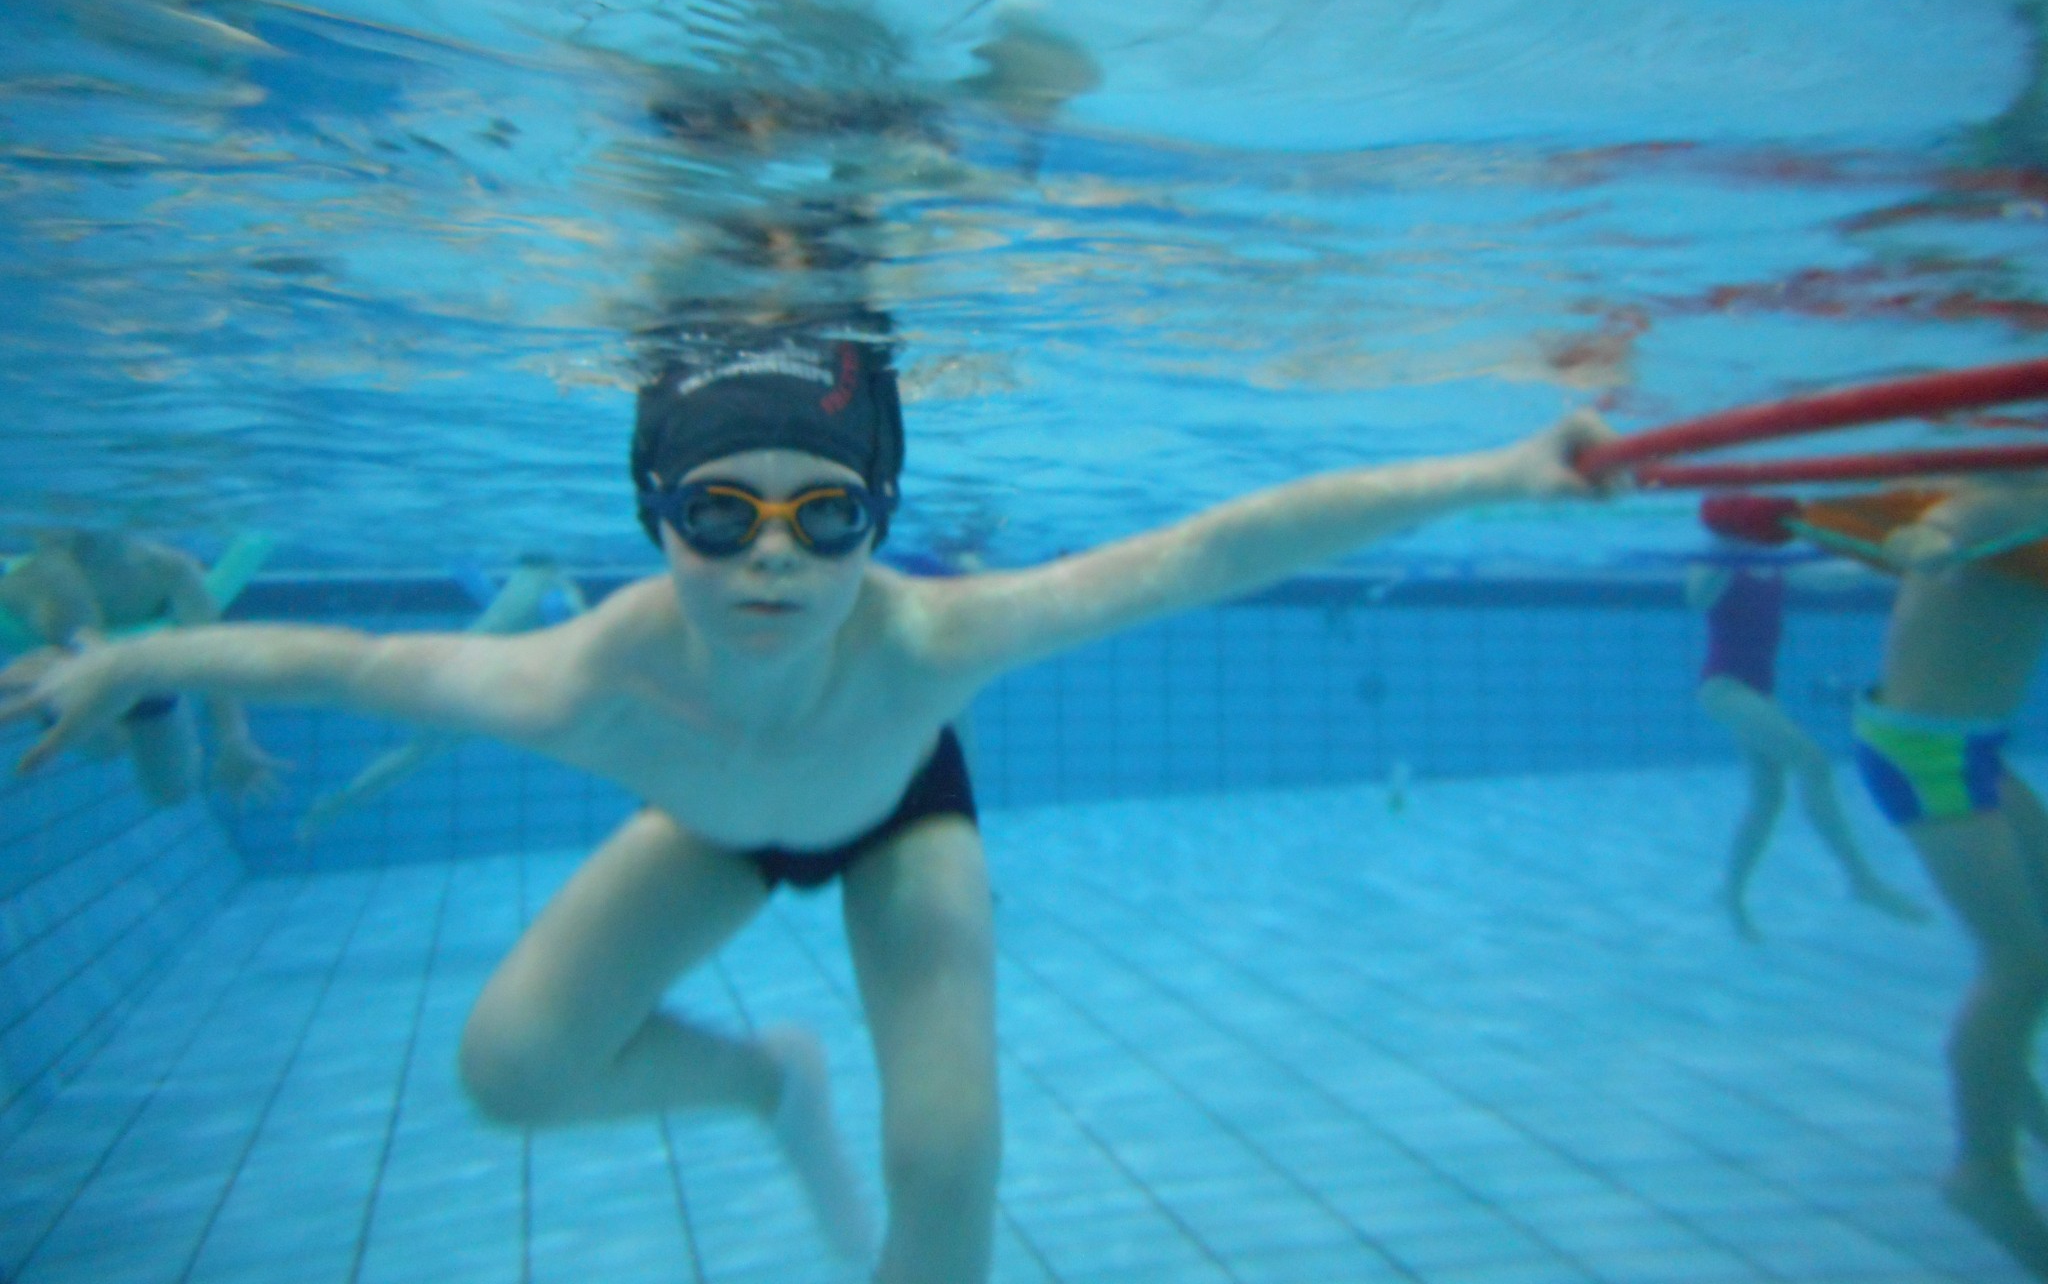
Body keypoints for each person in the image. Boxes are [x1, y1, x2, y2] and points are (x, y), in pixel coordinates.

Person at [0, 311, 1613, 1284]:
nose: (771, 557)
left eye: (824, 515)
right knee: (513, 1067)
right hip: (716, 814)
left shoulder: (934, 640)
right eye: (721, 513)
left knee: (947, 1157)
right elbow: (343, 663)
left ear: (877, 519)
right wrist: (123, 659)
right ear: (655, 517)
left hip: (898, 812)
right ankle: (762, 1080)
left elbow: (1212, 549)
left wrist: (1497, 472)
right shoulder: (577, 681)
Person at [1783, 479, 2048, 1277]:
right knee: (2020, 965)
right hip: (1929, 753)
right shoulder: (1997, 498)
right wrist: (1927, 545)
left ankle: (2019, 1101)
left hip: (1969, 744)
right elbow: (1946, 529)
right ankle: (1982, 1174)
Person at [1687, 493, 1925, 940]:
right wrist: (1726, 551)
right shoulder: (1717, 562)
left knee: (1767, 799)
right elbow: (1696, 597)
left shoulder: (1773, 565)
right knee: (1813, 763)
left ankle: (1731, 894)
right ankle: (1860, 879)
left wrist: (1885, 561)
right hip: (1723, 688)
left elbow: (1831, 582)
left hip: (1758, 692)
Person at [296, 555, 588, 841]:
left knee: (417, 751)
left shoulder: (522, 580)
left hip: (454, 663)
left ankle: (341, 801)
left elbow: (488, 597)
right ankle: (340, 802)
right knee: (417, 753)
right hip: (478, 681)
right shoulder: (558, 586)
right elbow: (572, 630)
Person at [0, 528, 283, 807]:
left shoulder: (168, 570)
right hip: (71, 681)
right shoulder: (38, 579)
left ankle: (58, 699)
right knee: (108, 746)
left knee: (172, 792)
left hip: (144, 683)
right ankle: (50, 698)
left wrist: (234, 740)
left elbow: (216, 657)